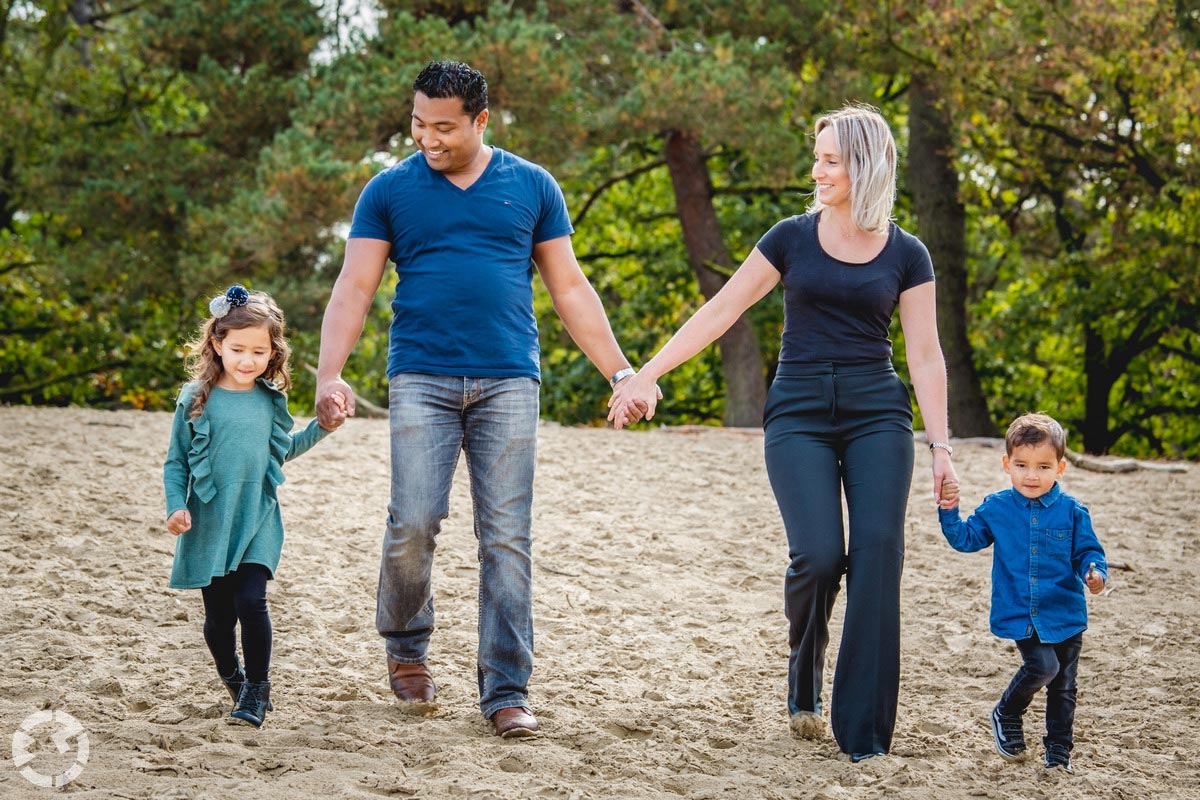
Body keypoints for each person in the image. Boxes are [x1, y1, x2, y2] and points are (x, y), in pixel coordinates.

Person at [609, 103, 958, 760]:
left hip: (876, 411)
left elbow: (926, 354)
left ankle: (864, 738)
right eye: (818, 157)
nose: (817, 170)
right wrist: (646, 373)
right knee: (821, 556)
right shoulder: (791, 237)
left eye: (830, 160)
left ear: (863, 165)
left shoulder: (908, 253)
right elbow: (723, 309)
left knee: (879, 552)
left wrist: (942, 449)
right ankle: (805, 668)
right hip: (798, 410)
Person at [314, 60, 641, 738]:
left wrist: (620, 373)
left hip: (509, 381)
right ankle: (407, 651)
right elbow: (355, 287)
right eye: (417, 124)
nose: (428, 139)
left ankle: (506, 690)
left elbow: (571, 289)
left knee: (506, 538)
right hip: (421, 379)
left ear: (481, 120)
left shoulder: (531, 186)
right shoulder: (388, 191)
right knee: (414, 522)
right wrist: (328, 374)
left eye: (444, 128)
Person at [163, 284, 343, 728]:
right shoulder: (193, 399)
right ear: (217, 344)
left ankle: (258, 690)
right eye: (238, 348)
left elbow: (283, 451)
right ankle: (233, 676)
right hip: (208, 519)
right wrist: (174, 506)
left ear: (272, 353)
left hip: (258, 515)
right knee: (219, 619)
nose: (248, 360)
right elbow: (176, 463)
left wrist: (323, 427)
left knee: (251, 600)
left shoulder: (269, 400)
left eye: (259, 352)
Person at [939, 413, 1107, 773]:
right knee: (1043, 665)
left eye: (1043, 466)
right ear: (1007, 464)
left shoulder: (1073, 511)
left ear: (1060, 468)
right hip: (1021, 611)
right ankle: (1007, 712)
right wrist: (949, 511)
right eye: (1022, 465)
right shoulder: (997, 507)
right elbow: (966, 540)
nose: (1032, 475)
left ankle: (1059, 753)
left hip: (1064, 612)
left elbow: (1087, 554)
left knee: (1063, 686)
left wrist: (1095, 574)